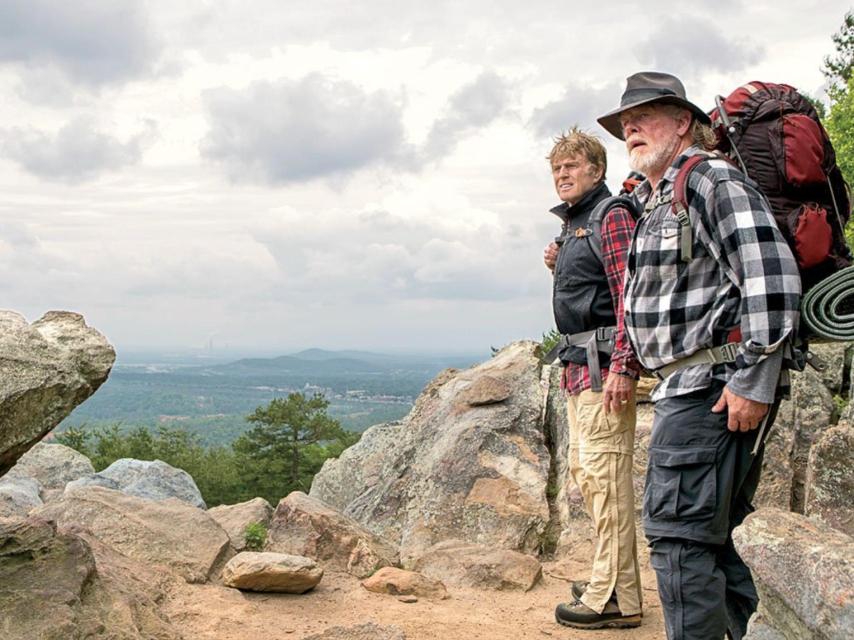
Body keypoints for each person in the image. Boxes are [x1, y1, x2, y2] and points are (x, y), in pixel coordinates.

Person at [596, 72, 801, 640]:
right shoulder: (657, 197)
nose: (630, 128)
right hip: (687, 389)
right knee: (717, 538)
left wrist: (754, 380)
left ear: (683, 122)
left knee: (679, 542)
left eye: (645, 116)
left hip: (710, 392)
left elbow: (773, 279)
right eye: (623, 124)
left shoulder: (710, 180)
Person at [544, 128, 643, 630]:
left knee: (606, 482)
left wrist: (625, 365)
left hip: (605, 367)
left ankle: (610, 598)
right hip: (580, 366)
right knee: (591, 476)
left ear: (596, 170)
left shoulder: (612, 214)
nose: (562, 174)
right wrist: (558, 265)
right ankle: (621, 591)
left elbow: (629, 294)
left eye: (571, 166)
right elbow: (591, 292)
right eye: (556, 168)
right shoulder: (577, 225)